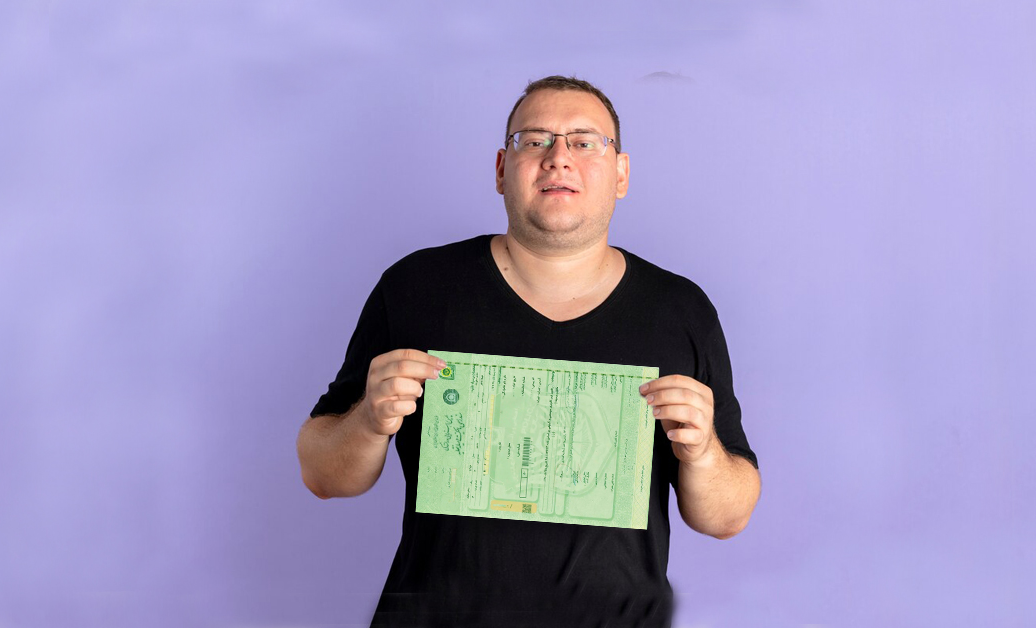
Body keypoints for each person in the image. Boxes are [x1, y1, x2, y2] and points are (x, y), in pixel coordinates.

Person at [297, 75, 761, 627]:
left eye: (585, 142)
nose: (558, 158)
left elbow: (726, 518)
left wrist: (704, 452)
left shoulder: (681, 310)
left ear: (621, 174)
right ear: (501, 169)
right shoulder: (416, 288)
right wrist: (369, 422)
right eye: (533, 140)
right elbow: (323, 475)